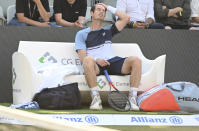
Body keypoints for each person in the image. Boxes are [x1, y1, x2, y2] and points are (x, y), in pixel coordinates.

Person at [75, 3, 142, 110]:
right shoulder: (82, 34)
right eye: (98, 9)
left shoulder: (109, 30)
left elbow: (126, 18)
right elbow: (83, 58)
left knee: (136, 60)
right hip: (96, 66)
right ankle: (96, 98)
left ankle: (132, 99)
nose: (102, 11)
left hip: (112, 62)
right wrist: (97, 60)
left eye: (103, 10)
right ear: (91, 13)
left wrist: (108, 7)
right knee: (88, 59)